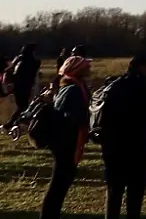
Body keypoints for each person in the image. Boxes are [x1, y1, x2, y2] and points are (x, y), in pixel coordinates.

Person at [97, 53, 146, 217]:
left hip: (113, 143)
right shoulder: (145, 84)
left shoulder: (115, 84)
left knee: (114, 189)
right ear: (143, 67)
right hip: (137, 142)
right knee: (135, 188)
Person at [40, 57, 92, 219]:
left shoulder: (67, 85)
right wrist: (79, 148)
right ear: (78, 69)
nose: (89, 68)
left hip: (61, 140)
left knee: (61, 182)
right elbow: (79, 121)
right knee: (60, 182)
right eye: (86, 66)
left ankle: (51, 214)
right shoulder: (74, 90)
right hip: (67, 142)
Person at [4, 44, 42, 130]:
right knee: (24, 107)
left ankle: (15, 124)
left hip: (17, 87)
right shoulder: (33, 62)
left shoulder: (19, 60)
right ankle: (12, 124)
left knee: (22, 106)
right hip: (27, 87)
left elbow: (11, 70)